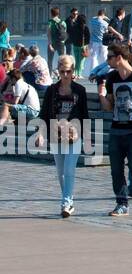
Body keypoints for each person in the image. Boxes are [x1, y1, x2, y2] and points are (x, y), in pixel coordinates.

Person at [97, 44, 132, 216]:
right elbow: (109, 106)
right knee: (116, 169)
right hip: (116, 131)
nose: (108, 60)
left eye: (110, 57)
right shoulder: (112, 77)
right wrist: (101, 94)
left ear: (119, 57)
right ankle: (121, 203)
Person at [39, 56, 88, 217]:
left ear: (73, 70)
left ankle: (66, 203)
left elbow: (84, 115)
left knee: (69, 169)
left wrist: (86, 137)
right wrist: (40, 133)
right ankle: (69, 200)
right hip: (55, 134)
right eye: (62, 71)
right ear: (58, 71)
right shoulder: (51, 90)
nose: (65, 75)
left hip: (74, 135)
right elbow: (44, 114)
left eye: (68, 71)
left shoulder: (80, 90)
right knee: (60, 172)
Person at [67, 8, 89, 76]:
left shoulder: (74, 26)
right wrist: (87, 45)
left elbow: (72, 35)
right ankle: (79, 74)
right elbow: (88, 37)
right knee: (81, 61)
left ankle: (75, 73)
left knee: (76, 60)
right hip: (82, 46)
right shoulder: (85, 27)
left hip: (75, 45)